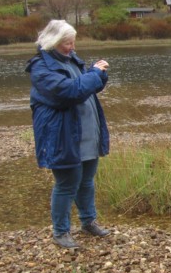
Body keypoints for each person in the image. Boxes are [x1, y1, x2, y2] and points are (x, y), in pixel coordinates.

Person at [26, 19, 112, 249]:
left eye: (73, 42)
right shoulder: (41, 68)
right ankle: (61, 232)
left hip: (86, 133)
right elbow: (69, 92)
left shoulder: (71, 60)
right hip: (63, 136)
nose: (72, 47)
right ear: (53, 42)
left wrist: (100, 75)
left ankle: (88, 222)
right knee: (67, 183)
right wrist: (93, 74)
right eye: (67, 43)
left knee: (86, 180)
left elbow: (87, 86)